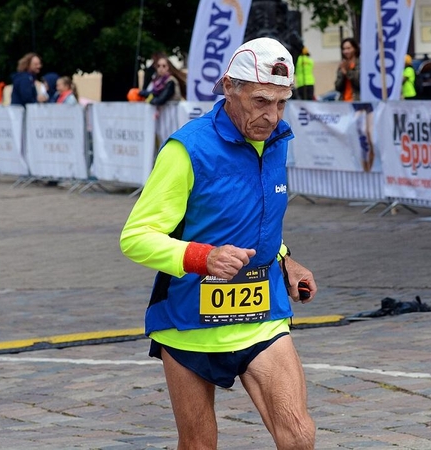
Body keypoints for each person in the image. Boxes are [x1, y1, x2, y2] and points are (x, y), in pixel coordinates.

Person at [119, 37, 317, 450]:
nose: (272, 116)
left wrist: (286, 260)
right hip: (189, 322)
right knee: (199, 445)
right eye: (261, 101)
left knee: (299, 436)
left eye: (281, 104)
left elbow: (255, 220)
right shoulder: (187, 148)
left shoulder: (276, 140)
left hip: (262, 314)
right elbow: (136, 237)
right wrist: (203, 257)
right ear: (229, 87)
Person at [335, 37, 360, 101]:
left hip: (357, 101)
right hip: (344, 101)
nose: (346, 51)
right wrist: (342, 74)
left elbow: (359, 83)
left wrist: (347, 72)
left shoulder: (360, 64)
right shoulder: (342, 65)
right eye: (344, 49)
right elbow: (337, 87)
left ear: (355, 49)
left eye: (348, 48)